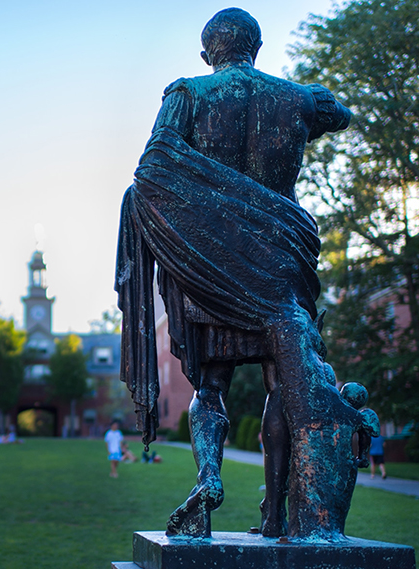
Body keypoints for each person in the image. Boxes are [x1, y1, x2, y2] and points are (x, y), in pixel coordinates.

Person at [116, 8, 376, 540]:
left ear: (209, 51)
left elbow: (153, 168)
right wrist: (300, 100)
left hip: (213, 269)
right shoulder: (301, 98)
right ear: (256, 47)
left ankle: (209, 479)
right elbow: (342, 115)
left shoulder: (186, 93)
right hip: (283, 264)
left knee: (210, 386)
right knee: (283, 383)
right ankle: (277, 514)